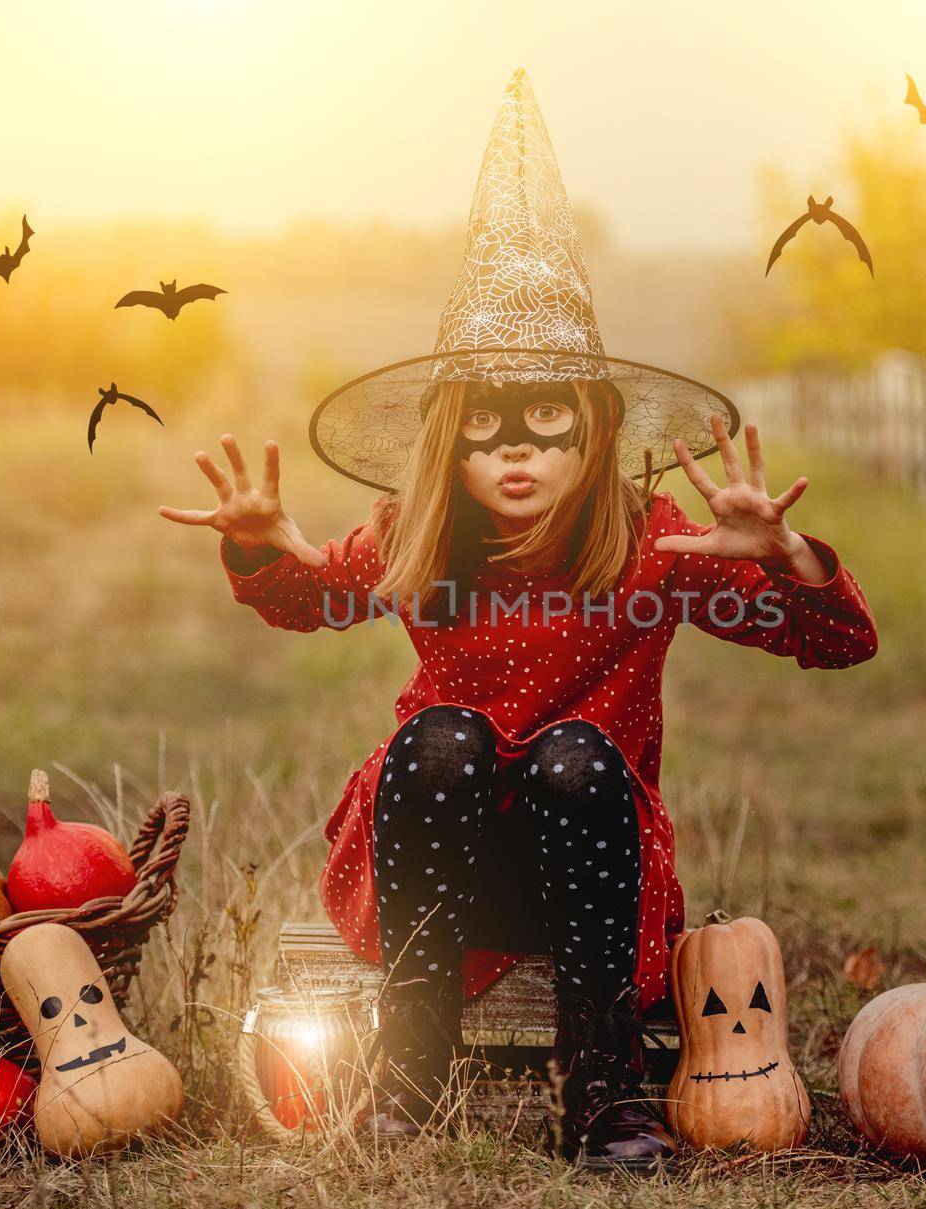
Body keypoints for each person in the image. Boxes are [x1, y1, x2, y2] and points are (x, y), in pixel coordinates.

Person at [159, 71, 877, 1170]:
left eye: (546, 420)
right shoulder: (417, 532)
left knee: (580, 753)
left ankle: (603, 1094)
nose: (518, 450)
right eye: (489, 424)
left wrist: (788, 561)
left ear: (592, 429)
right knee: (439, 735)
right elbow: (306, 597)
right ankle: (410, 1074)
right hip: (435, 849)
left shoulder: (652, 539)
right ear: (451, 437)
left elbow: (837, 642)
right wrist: (261, 543)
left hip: (584, 863)